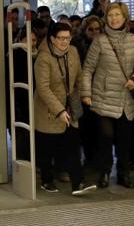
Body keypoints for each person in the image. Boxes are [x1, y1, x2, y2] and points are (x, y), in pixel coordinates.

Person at [80, 2, 134, 189]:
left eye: (117, 15)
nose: (113, 18)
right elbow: (87, 69)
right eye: (110, 15)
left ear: (124, 17)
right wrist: (86, 93)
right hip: (103, 97)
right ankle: (105, 171)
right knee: (106, 136)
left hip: (126, 98)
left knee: (124, 139)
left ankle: (123, 173)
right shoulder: (99, 40)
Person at [34, 23, 96, 196]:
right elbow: (43, 88)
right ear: (52, 39)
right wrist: (59, 111)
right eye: (61, 38)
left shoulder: (73, 52)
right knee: (47, 149)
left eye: (67, 38)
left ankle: (78, 183)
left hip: (70, 106)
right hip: (48, 110)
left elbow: (80, 75)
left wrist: (84, 94)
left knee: (72, 146)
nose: (64, 42)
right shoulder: (43, 58)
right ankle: (47, 180)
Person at [71, 15, 103, 167]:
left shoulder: (106, 44)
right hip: (84, 90)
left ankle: (99, 159)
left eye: (98, 29)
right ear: (85, 30)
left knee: (101, 128)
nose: (95, 32)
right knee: (86, 127)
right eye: (91, 29)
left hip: (102, 90)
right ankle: (90, 158)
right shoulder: (77, 46)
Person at [12, 27, 37, 161]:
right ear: (20, 40)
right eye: (27, 40)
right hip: (22, 101)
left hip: (33, 99)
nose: (32, 43)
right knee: (24, 134)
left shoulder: (36, 55)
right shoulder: (18, 55)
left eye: (33, 40)